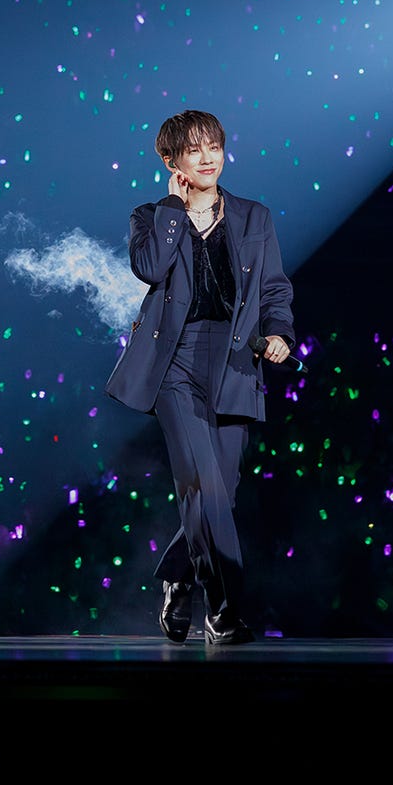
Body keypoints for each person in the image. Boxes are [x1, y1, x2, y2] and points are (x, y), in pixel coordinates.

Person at [105, 109, 295, 645]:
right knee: (202, 486)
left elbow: (274, 288)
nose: (208, 158)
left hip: (236, 362)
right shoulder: (151, 215)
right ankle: (224, 610)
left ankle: (177, 575)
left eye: (215, 146)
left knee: (218, 495)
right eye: (195, 150)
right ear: (172, 160)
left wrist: (280, 331)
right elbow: (148, 268)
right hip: (176, 362)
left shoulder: (254, 216)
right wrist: (175, 209)